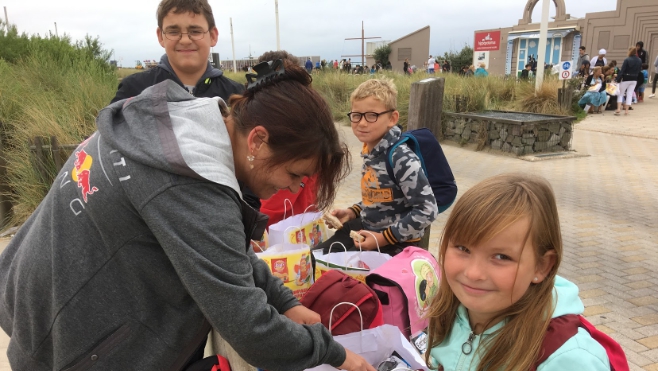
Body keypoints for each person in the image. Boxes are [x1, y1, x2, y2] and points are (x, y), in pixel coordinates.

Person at [0, 60, 376, 371]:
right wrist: (337, 354)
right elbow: (251, 330)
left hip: (40, 299)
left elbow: (224, 250)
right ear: (257, 140)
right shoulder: (191, 185)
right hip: (71, 340)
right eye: (294, 174)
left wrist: (285, 302)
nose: (295, 190)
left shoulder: (180, 127)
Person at [425, 173, 610, 371]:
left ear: (542, 266)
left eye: (501, 257)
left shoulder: (569, 359)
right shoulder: (448, 310)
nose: (473, 273)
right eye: (463, 248)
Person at [317, 78, 438, 256]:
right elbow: (381, 197)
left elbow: (427, 210)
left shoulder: (400, 158)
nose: (362, 123)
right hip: (366, 230)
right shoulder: (371, 151)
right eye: (356, 115)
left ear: (392, 118)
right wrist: (352, 211)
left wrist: (383, 238)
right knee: (317, 257)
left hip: (394, 244)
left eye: (372, 115)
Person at [112, 0, 243, 104]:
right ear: (160, 36)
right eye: (173, 32)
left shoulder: (238, 96)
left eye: (195, 31)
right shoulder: (133, 90)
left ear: (213, 36)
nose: (185, 40)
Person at [615, 47, 642, 116]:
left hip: (626, 78)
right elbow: (639, 70)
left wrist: (617, 79)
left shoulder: (627, 59)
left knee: (621, 94)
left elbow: (622, 70)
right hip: (634, 79)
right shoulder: (639, 60)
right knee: (629, 94)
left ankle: (618, 109)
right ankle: (626, 110)